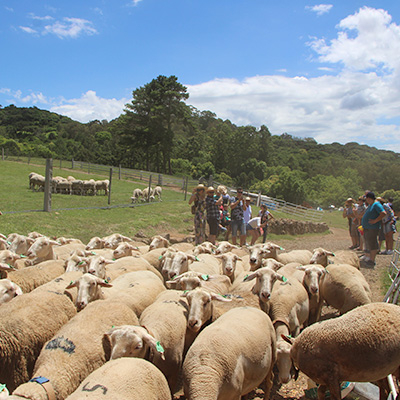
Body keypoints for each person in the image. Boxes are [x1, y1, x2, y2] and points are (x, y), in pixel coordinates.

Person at [361, 192, 386, 268]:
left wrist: (375, 220)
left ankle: (372, 260)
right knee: (368, 243)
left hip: (372, 228)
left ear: (369, 198)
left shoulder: (377, 204)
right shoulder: (371, 205)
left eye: (367, 199)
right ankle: (368, 257)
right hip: (367, 227)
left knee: (372, 244)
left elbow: (383, 213)